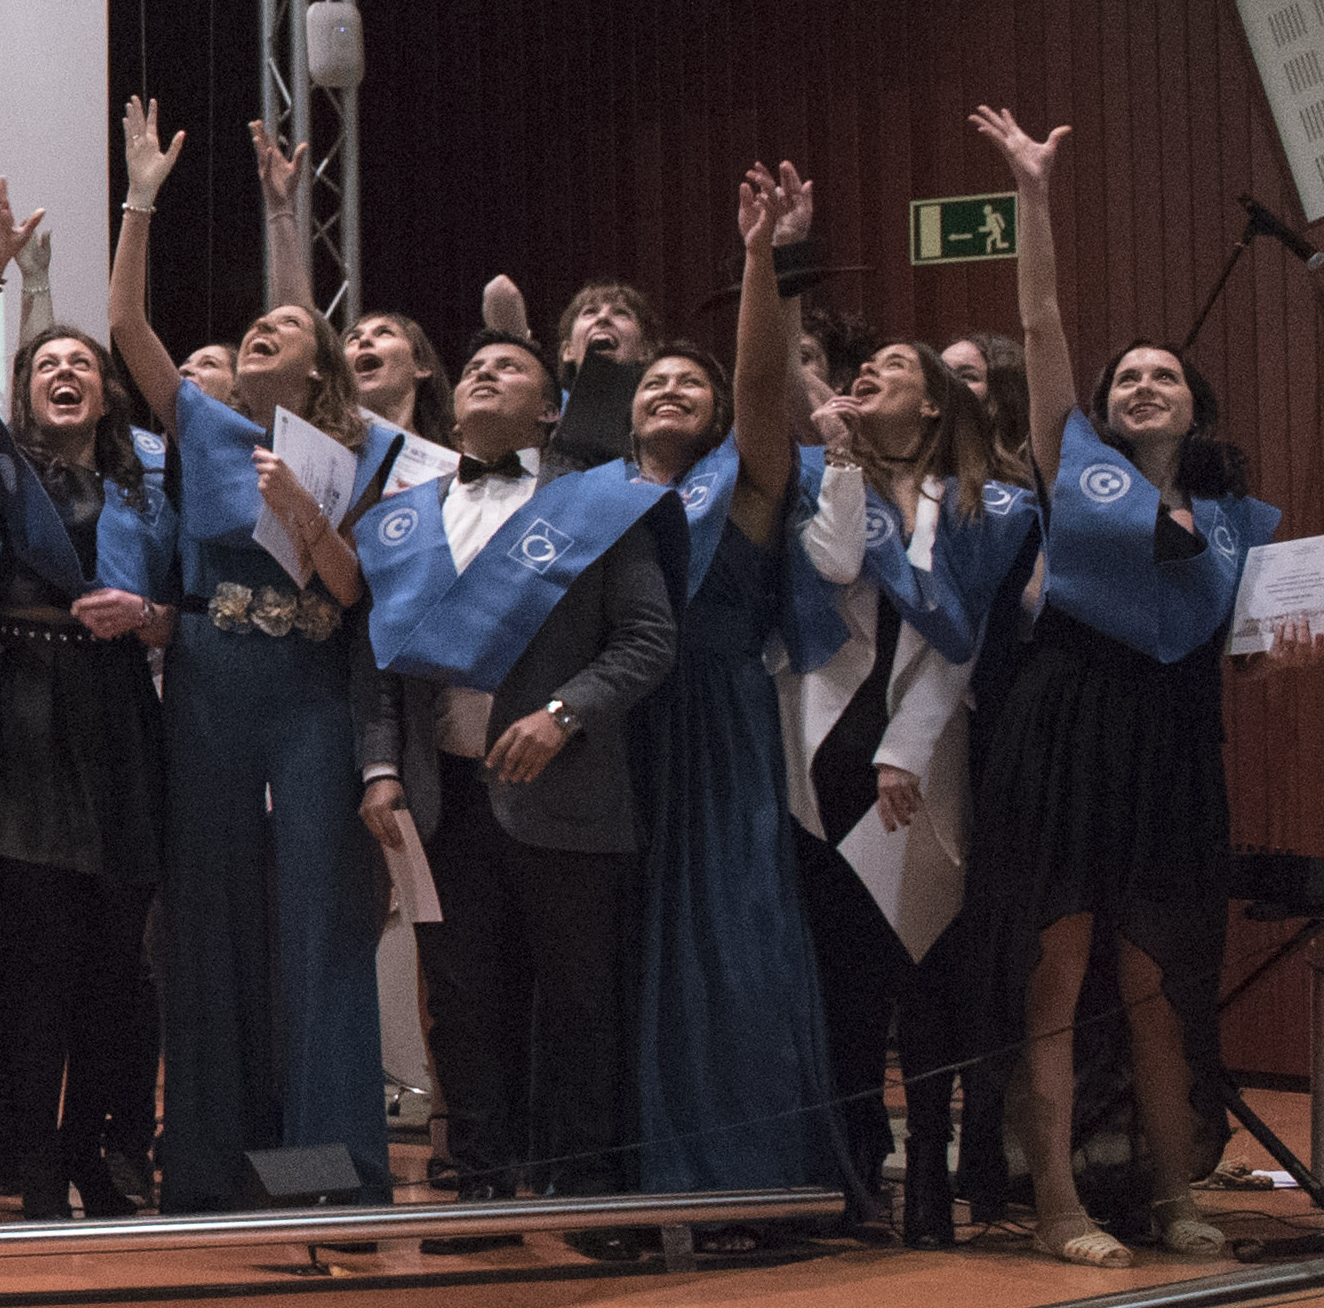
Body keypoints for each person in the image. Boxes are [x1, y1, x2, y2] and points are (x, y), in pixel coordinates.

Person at [963, 105, 1314, 1266]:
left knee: (1162, 982)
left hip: (1172, 744)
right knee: (1056, 974)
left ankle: (1175, 1193)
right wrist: (1034, 191)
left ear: (1195, 408)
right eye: (1129, 377)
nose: (1143, 385)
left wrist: (1282, 653)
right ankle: (1057, 1201)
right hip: (1064, 731)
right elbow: (1042, 316)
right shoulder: (1075, 470)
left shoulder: (1231, 524)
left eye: (1166, 376)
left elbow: (1244, 656)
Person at [104, 103, 386, 1207]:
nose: (258, 336)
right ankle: (217, 1165)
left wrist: (306, 519)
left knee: (319, 921)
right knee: (208, 923)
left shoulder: (362, 450)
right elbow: (127, 323)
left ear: (319, 372)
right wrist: (140, 198)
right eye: (252, 331)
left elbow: (352, 590)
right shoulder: (210, 429)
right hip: (214, 690)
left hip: (309, 690)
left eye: (282, 332)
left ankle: (322, 1167)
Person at [347, 321, 681, 1240]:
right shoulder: (404, 517)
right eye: (477, 366)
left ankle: (590, 1201)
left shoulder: (597, 504)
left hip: (566, 796)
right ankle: (484, 1192)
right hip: (441, 800)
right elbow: (381, 667)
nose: (486, 373)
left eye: (512, 367)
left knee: (579, 1006)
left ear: (550, 407)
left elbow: (648, 642)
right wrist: (381, 768)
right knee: (463, 1008)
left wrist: (562, 713)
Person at [0, 194, 174, 1220]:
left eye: (83, 366)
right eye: (47, 367)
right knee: (33, 962)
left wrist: (156, 618)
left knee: (118, 960)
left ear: (109, 394)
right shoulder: (5, 473)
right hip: (21, 715)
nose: (66, 374)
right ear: (25, 396)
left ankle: (99, 1153)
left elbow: (198, 608)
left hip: (119, 714)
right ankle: (31, 1165)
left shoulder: (153, 485)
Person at [615, 167, 847, 1213]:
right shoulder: (593, 497)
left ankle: (743, 1179)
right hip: (616, 734)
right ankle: (622, 1174)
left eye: (688, 387)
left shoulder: (743, 485)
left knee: (726, 945)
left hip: (713, 727)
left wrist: (764, 261)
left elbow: (762, 384)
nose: (669, 391)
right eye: (652, 383)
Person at [791, 332, 1016, 1243]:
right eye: (865, 365)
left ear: (932, 404)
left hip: (919, 756)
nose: (870, 371)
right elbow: (837, 565)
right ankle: (856, 1172)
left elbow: (957, 647)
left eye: (895, 365)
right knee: (845, 982)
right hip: (828, 746)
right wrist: (842, 461)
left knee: (927, 969)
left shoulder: (981, 505)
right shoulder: (826, 473)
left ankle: (932, 1176)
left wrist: (908, 749)